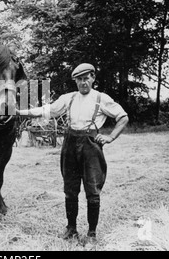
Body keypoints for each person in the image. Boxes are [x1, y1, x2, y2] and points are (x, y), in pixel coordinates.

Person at [16, 63, 129, 240]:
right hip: (69, 144)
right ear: (75, 81)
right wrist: (20, 112)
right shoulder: (68, 98)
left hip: (90, 146)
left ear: (92, 78)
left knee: (92, 191)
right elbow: (47, 110)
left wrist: (110, 137)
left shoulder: (101, 98)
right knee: (70, 190)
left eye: (86, 78)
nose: (83, 83)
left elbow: (123, 117)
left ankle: (92, 234)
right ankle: (71, 229)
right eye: (79, 80)